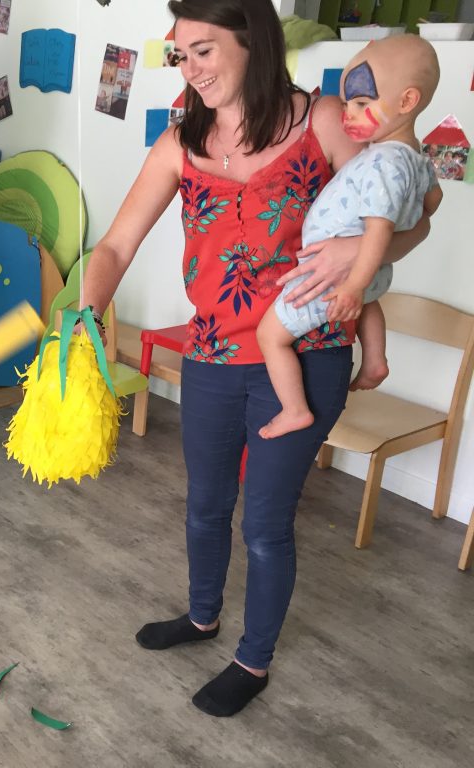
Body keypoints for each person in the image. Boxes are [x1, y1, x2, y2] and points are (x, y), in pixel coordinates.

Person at [80, 0, 431, 717]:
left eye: (204, 50)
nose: (191, 69)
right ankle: (203, 616)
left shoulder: (325, 120)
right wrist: (82, 310)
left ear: (253, 42)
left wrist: (355, 256)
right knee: (205, 506)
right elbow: (115, 246)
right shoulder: (182, 141)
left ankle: (254, 660)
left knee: (265, 520)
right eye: (181, 55)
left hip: (305, 356)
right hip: (211, 352)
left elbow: (409, 213)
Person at [257, 36, 442, 439]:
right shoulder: (416, 158)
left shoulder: (382, 163)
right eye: (346, 104)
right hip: (366, 275)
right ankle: (375, 359)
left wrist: (354, 284)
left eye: (361, 104)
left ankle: (294, 409)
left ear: (408, 101)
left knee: (270, 336)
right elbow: (434, 201)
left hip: (333, 277)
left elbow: (379, 228)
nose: (348, 115)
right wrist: (365, 282)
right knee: (370, 301)